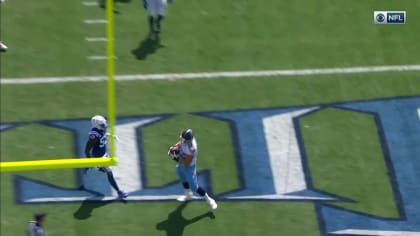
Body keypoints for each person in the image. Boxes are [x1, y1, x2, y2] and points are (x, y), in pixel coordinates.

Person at [168, 129, 218, 210]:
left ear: (189, 140)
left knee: (194, 186)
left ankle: (209, 200)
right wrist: (175, 147)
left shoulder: (192, 148)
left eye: (184, 139)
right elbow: (180, 143)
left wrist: (175, 158)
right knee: (182, 177)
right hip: (182, 162)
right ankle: (188, 195)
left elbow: (187, 162)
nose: (182, 140)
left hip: (189, 167)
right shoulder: (185, 140)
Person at [84, 115, 128, 199]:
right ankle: (119, 192)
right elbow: (87, 150)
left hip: (104, 153)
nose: (104, 126)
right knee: (109, 172)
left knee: (106, 170)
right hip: (99, 157)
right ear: (96, 125)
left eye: (104, 124)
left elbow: (103, 135)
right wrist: (90, 161)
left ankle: (96, 167)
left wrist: (110, 135)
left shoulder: (101, 129)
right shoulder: (94, 135)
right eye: (102, 125)